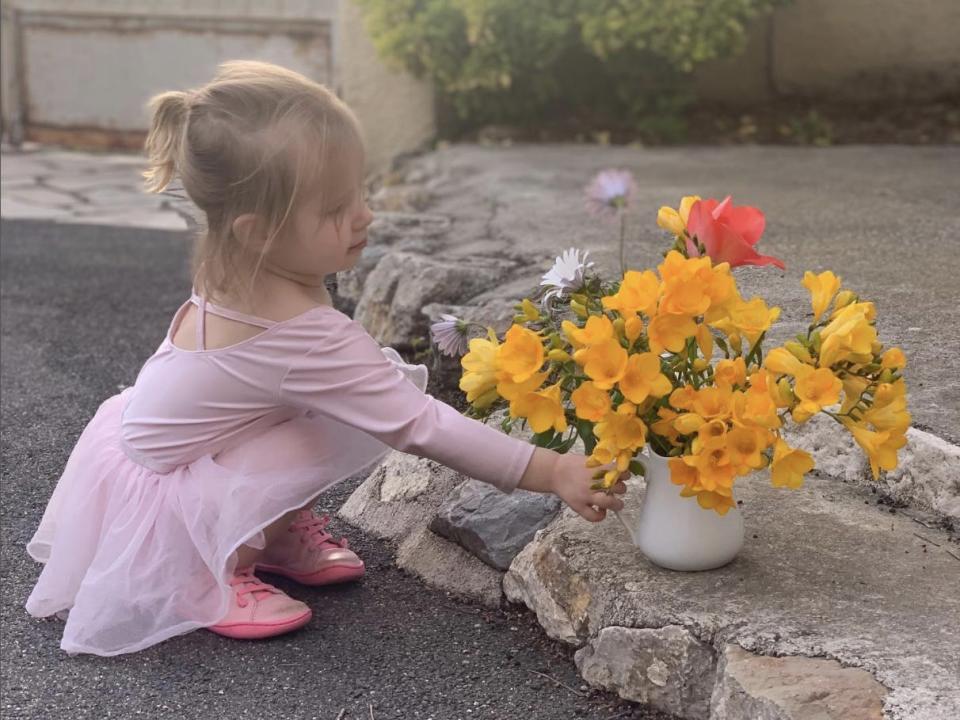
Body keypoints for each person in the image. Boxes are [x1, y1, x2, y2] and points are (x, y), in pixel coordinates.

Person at [24, 60, 627, 657]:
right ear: (257, 230)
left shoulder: (236, 259)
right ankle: (206, 572)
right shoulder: (301, 333)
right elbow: (421, 423)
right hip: (166, 499)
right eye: (336, 209)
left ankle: (270, 538)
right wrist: (552, 471)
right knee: (341, 419)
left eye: (359, 192)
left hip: (158, 447)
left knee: (337, 405)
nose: (364, 214)